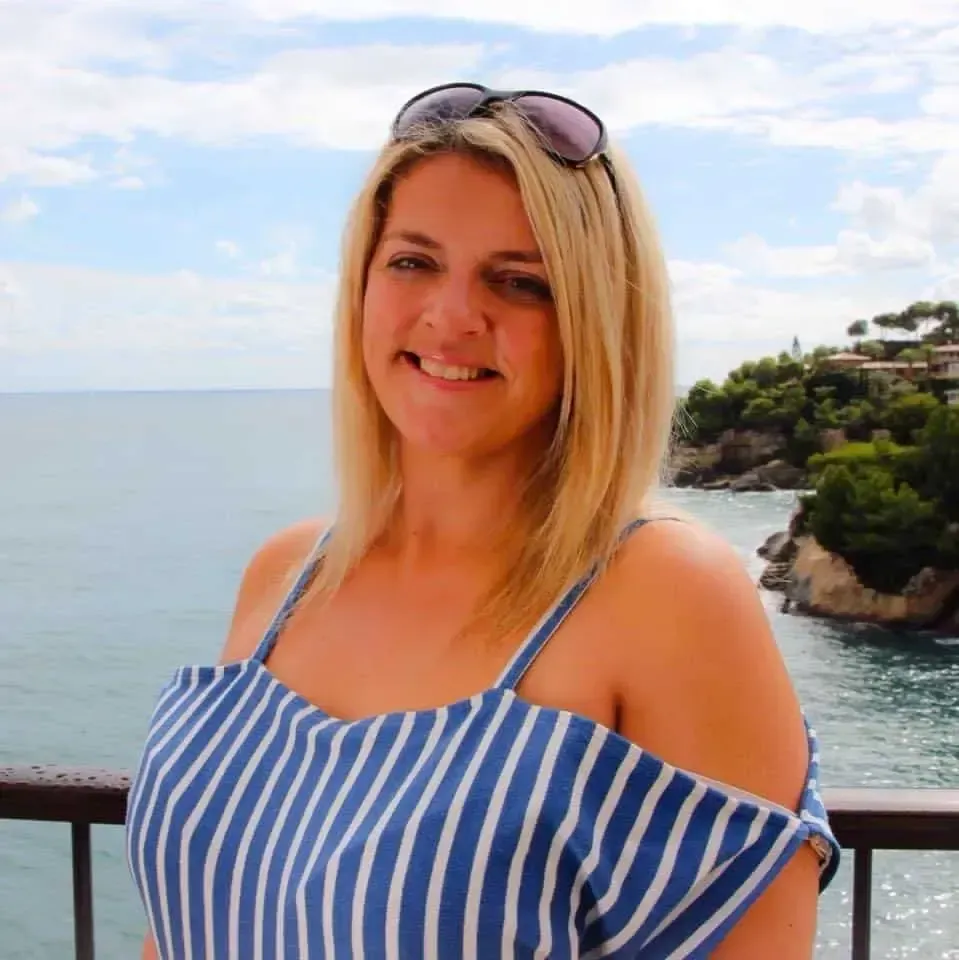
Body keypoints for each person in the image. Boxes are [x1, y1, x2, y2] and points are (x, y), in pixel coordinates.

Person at [126, 82, 840, 959]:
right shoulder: (285, 575)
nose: (453, 316)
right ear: (361, 286)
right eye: (413, 262)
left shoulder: (663, 595)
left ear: (594, 323)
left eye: (519, 282)